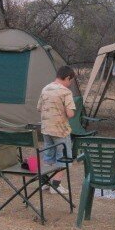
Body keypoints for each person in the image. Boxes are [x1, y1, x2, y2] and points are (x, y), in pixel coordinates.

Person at [36, 65, 77, 195]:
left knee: (49, 155)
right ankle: (56, 185)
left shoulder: (45, 89)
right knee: (63, 157)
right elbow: (70, 114)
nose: (70, 84)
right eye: (70, 81)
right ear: (67, 78)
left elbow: (39, 108)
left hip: (46, 129)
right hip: (60, 130)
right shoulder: (65, 92)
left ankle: (45, 183)